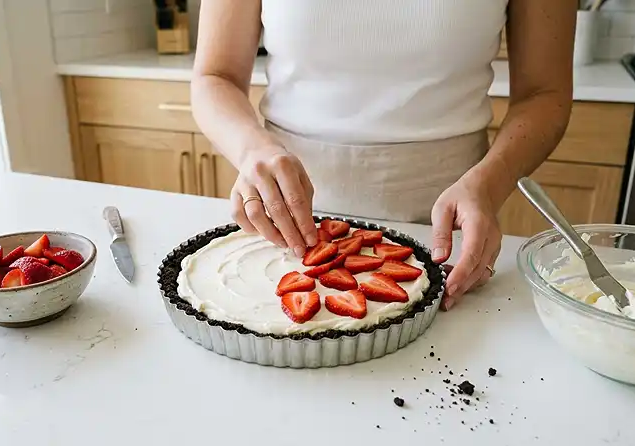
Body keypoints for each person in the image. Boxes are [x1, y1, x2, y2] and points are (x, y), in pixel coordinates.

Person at [191, 1, 575, 311]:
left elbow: (545, 93)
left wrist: (491, 184)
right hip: (284, 216)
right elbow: (215, 76)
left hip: (450, 217)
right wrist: (252, 149)